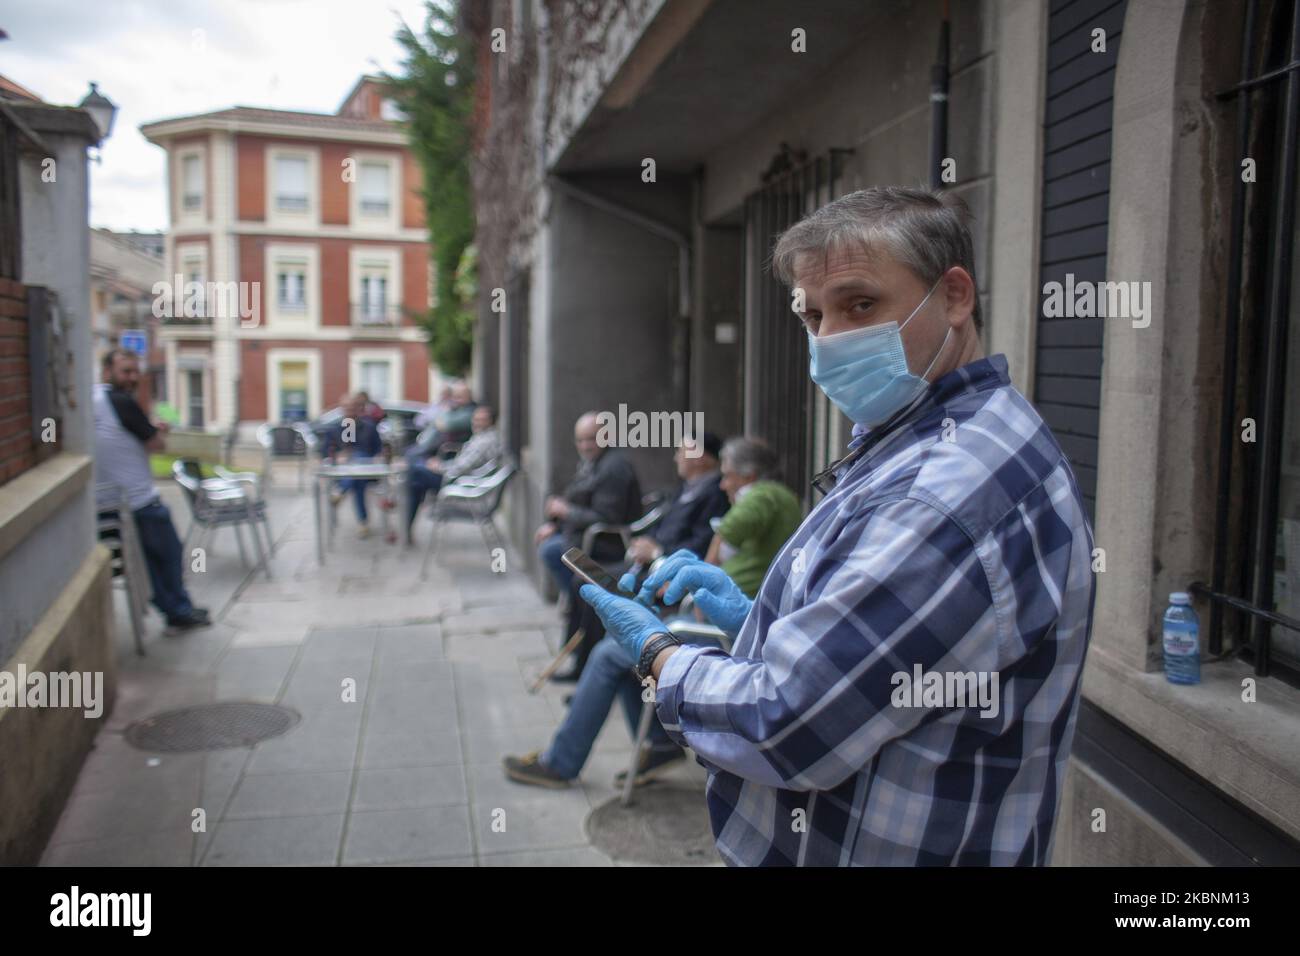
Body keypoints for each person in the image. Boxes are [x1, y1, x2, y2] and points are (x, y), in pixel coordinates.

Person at [578, 186, 1096, 866]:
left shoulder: (942, 497)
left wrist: (659, 657)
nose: (829, 341)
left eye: (861, 304)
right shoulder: (954, 430)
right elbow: (885, 656)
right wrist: (757, 622)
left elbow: (786, 727)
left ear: (955, 295)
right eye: (813, 314)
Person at [504, 434, 737, 788]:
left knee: (610, 650)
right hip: (664, 582)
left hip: (689, 608)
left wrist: (658, 553)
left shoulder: (719, 500)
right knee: (607, 620)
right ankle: (657, 743)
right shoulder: (689, 489)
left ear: (707, 459)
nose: (726, 481)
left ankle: (563, 761)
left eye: (732, 475)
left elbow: (700, 553)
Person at [552, 432, 729, 681]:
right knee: (584, 579)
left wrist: (657, 553)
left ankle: (586, 668)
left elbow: (700, 545)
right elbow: (664, 525)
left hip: (668, 575)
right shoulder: (687, 487)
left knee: (593, 586)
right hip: (651, 564)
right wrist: (647, 542)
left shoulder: (715, 494)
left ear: (699, 458)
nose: (676, 456)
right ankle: (581, 658)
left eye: (682, 450)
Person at [93, 349, 210, 632]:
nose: (132, 378)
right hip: (137, 500)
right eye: (126, 371)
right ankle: (178, 610)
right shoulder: (121, 401)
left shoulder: (95, 398)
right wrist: (161, 431)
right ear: (108, 371)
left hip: (105, 504)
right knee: (169, 553)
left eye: (135, 371)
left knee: (153, 559)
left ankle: (171, 606)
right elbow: (156, 445)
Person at [533, 411, 642, 595]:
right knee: (550, 544)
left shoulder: (613, 467)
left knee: (551, 550)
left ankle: (583, 600)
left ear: (606, 436)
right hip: (583, 533)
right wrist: (555, 524)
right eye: (580, 440)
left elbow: (607, 517)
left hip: (606, 541)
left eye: (591, 439)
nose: (585, 446)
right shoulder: (593, 461)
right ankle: (579, 601)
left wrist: (566, 512)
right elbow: (580, 500)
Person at [704, 437, 803, 598]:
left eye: (727, 476)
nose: (723, 485)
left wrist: (703, 585)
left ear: (749, 476)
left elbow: (730, 529)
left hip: (745, 603)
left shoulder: (763, 494)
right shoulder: (775, 495)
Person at [404, 404, 504, 544]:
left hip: (459, 482)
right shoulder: (482, 436)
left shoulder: (485, 441)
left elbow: (462, 467)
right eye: (475, 419)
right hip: (460, 479)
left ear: (491, 421)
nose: (476, 422)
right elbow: (462, 464)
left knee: (414, 473)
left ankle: (406, 523)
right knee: (415, 480)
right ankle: (407, 526)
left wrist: (439, 466)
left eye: (482, 420)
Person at [325, 393, 384, 538]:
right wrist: (338, 456)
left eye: (352, 407)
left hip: (369, 473)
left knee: (359, 458)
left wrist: (375, 458)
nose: (349, 411)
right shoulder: (336, 428)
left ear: (359, 408)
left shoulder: (369, 427)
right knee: (357, 480)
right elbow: (327, 452)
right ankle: (362, 523)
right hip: (344, 473)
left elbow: (378, 450)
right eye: (346, 408)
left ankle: (340, 492)